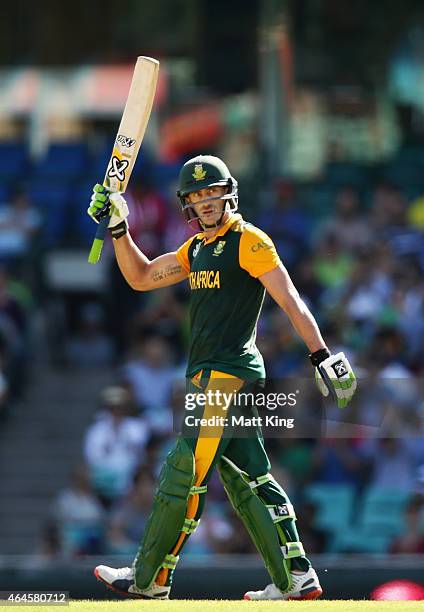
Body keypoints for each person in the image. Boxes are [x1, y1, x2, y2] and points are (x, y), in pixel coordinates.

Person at [87, 155, 357, 601]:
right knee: (248, 477)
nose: (206, 202)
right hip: (214, 378)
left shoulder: (249, 241)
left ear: (228, 192)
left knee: (183, 468)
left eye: (212, 192)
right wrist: (120, 229)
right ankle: (296, 577)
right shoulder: (195, 249)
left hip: (226, 377)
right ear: (188, 203)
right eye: (197, 196)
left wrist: (320, 355)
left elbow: (290, 299)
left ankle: (149, 576)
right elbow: (141, 276)